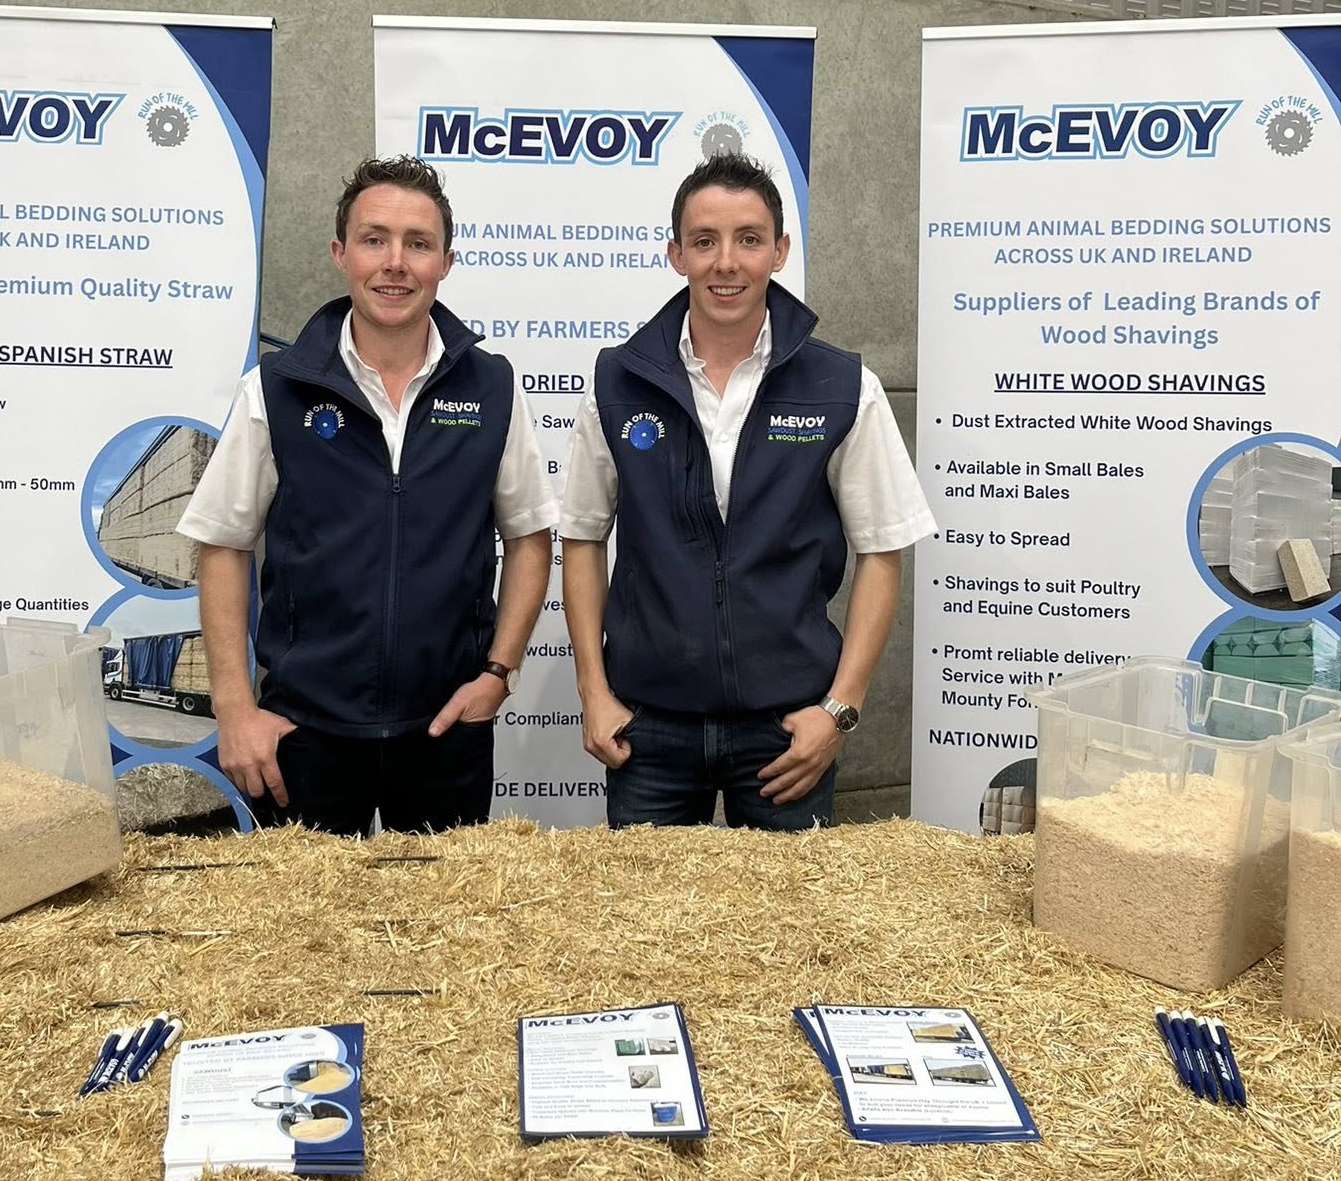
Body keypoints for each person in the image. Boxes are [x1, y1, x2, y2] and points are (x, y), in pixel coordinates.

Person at [178, 155, 556, 834]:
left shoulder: (491, 388)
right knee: (310, 939)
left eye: (418, 244)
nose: (396, 262)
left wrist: (497, 675)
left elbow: (530, 535)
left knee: (446, 935)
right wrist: (235, 709)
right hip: (304, 735)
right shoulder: (277, 389)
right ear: (340, 253)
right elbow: (222, 545)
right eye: (374, 239)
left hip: (447, 731)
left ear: (445, 261)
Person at [560, 154, 935, 830]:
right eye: (704, 241)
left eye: (748, 239)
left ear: (780, 251)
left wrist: (839, 710)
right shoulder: (619, 382)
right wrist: (593, 691)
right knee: (645, 931)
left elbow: (882, 552)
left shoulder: (842, 386)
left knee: (789, 934)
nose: (725, 262)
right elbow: (582, 536)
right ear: (676, 254)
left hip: (787, 732)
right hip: (649, 730)